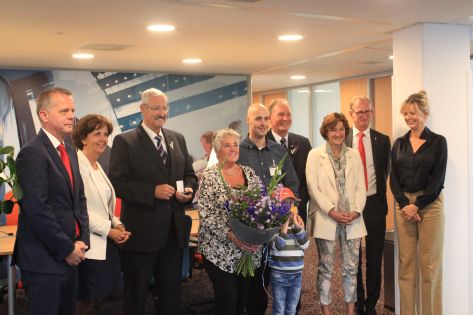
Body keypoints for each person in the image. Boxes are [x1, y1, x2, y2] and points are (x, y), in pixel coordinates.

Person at [109, 88, 198, 315]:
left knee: (171, 295)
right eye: (156, 108)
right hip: (142, 234)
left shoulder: (177, 139)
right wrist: (152, 191)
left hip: (173, 232)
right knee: (136, 295)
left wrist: (188, 189)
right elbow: (117, 183)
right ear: (143, 109)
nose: (162, 113)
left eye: (165, 108)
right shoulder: (125, 141)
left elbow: (190, 175)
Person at [13, 87, 90, 315]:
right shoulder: (32, 153)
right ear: (44, 115)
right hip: (44, 261)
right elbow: (37, 209)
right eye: (64, 110)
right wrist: (67, 248)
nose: (71, 116)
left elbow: (79, 200)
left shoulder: (69, 149)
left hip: (72, 255)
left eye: (73, 110)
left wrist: (82, 241)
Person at [238, 103, 299, 315]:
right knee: (253, 282)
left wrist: (289, 205)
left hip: (278, 228)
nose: (263, 123)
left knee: (280, 278)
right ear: (248, 120)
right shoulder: (238, 151)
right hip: (250, 231)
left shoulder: (278, 150)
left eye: (265, 119)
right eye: (258, 119)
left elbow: (292, 182)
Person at [390, 91, 447, 315]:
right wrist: (405, 204)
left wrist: (418, 205)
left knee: (430, 265)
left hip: (430, 205)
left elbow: (437, 180)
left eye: (412, 113)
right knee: (406, 264)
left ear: (425, 114)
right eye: (405, 114)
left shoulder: (438, 142)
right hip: (403, 204)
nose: (408, 117)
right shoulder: (400, 143)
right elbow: (393, 178)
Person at [306, 112, 367, 315]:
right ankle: (327, 311)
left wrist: (356, 211)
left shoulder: (354, 155)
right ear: (326, 132)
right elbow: (313, 188)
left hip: (352, 220)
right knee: (326, 267)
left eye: (341, 129)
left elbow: (361, 187)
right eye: (333, 130)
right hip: (326, 218)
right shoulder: (315, 155)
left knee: (352, 269)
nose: (338, 133)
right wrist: (331, 211)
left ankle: (351, 311)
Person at [198, 128, 262, 315]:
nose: (233, 148)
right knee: (228, 300)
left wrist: (258, 234)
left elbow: (262, 205)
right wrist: (232, 235)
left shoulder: (249, 173)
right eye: (227, 145)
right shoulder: (210, 175)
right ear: (217, 151)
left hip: (247, 251)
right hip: (219, 251)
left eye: (235, 144)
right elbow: (206, 213)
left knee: (242, 299)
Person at [72, 114, 131, 314]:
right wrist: (109, 230)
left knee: (101, 301)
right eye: (97, 134)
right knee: (86, 301)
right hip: (88, 245)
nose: (103, 139)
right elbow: (80, 208)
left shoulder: (97, 166)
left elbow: (104, 206)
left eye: (106, 134)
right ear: (83, 138)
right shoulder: (76, 165)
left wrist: (117, 224)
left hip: (105, 243)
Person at [346, 96, 391, 315]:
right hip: (351, 206)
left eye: (367, 111)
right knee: (353, 259)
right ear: (351, 114)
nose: (364, 116)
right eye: (359, 112)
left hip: (374, 205)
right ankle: (358, 304)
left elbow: (384, 173)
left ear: (372, 112)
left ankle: (371, 305)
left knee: (374, 258)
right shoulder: (342, 139)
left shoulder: (382, 140)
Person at [267, 99, 312, 224]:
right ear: (270, 117)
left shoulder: (303, 143)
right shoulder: (262, 143)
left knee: (299, 243)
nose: (285, 118)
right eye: (281, 114)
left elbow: (309, 178)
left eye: (288, 114)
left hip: (299, 209)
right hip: (270, 213)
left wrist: (297, 202)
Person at [269, 188, 309, 315]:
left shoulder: (298, 226)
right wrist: (285, 225)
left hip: (296, 274)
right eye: (284, 203)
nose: (289, 206)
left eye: (291, 203)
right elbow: (278, 246)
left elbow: (305, 244)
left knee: (291, 310)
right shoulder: (273, 226)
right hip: (279, 273)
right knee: (279, 310)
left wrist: (296, 224)